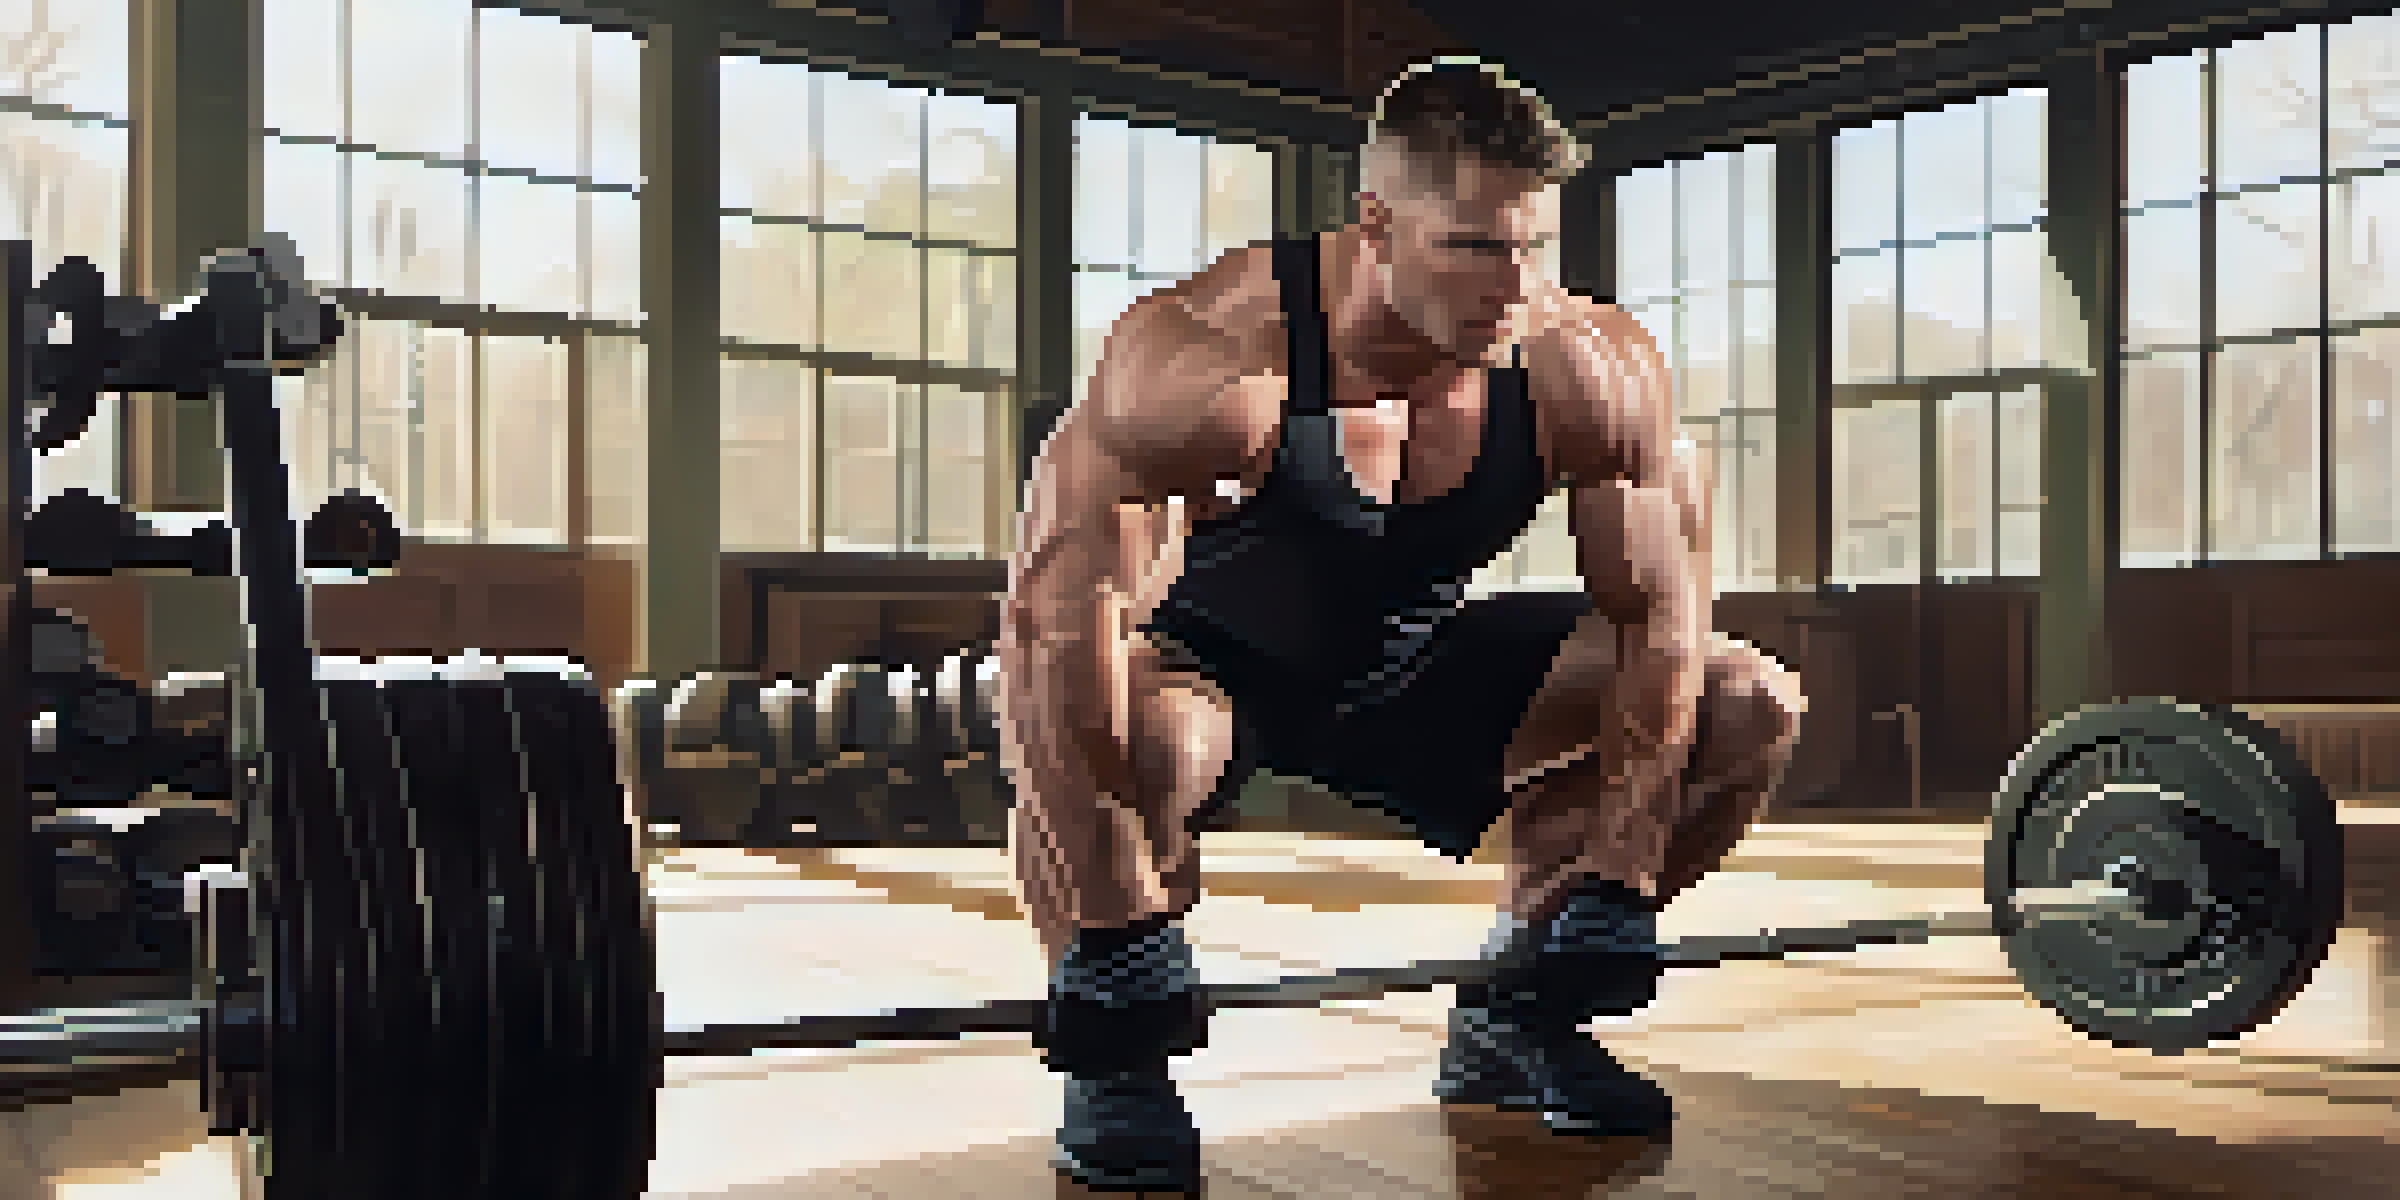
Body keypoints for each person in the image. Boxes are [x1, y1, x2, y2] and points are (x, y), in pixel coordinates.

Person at [996, 57, 1806, 1194]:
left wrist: (1622, 878)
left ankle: (1517, 1016)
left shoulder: (1588, 366)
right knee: (1146, 740)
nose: (1510, 287)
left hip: (1410, 666)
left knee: (1746, 703)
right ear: (1376, 224)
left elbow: (1660, 623)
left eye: (1532, 248)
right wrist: (1114, 922)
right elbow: (1049, 634)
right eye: (1473, 246)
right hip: (1211, 673)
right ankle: (1115, 1057)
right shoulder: (1213, 356)